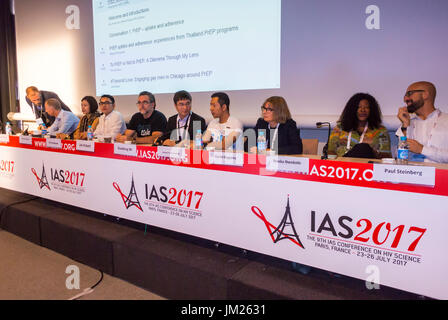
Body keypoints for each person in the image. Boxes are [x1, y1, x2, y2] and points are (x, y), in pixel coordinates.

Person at [397, 81, 448, 163]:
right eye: (405, 95)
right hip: (410, 174)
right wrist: (405, 126)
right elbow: (401, 158)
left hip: (440, 174)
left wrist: (422, 150)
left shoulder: (446, 120)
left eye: (409, 94)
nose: (405, 99)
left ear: (425, 95)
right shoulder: (407, 122)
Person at [328, 93, 391, 158]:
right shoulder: (340, 128)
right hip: (344, 165)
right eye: (358, 107)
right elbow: (330, 151)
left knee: (363, 148)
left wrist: (372, 152)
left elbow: (386, 156)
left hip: (368, 166)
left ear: (372, 110)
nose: (362, 110)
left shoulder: (381, 131)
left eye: (366, 107)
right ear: (352, 109)